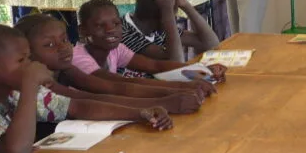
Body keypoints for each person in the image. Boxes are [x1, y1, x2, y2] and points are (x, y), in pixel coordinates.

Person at [0, 23, 172, 153]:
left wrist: (140, 112)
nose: (29, 65)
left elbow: (77, 106)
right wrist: (29, 86)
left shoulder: (15, 91)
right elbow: (17, 150)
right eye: (21, 61)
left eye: (28, 58)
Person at [17, 13, 204, 116]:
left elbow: (111, 88)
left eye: (64, 40)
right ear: (28, 54)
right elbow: (84, 103)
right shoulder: (37, 81)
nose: (63, 48)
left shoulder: (64, 68)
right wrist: (161, 103)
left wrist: (184, 86)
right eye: (49, 45)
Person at [72, 0, 226, 89]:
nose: (110, 30)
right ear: (83, 31)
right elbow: (119, 84)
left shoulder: (116, 49)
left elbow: (155, 66)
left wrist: (202, 71)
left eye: (116, 23)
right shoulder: (79, 58)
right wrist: (182, 87)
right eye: (100, 26)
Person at [121, 0, 221, 65]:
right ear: (161, 16)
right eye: (173, 13)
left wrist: (185, 4)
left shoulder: (154, 28)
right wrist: (167, 10)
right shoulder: (124, 33)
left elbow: (211, 44)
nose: (175, 17)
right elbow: (175, 64)